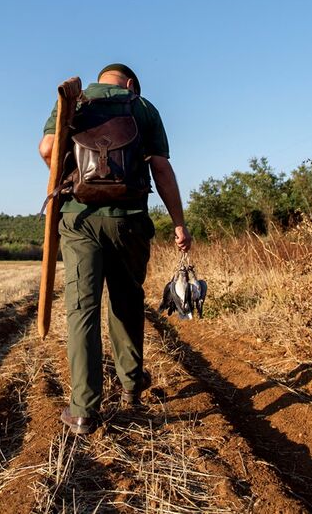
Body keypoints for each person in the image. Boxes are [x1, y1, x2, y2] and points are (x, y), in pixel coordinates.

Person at [39, 63, 192, 435]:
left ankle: (83, 410)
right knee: (126, 300)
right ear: (129, 83)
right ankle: (130, 386)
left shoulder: (74, 101)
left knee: (81, 308)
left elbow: (47, 150)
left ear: (100, 80)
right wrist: (178, 223)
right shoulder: (142, 107)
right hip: (129, 220)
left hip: (79, 220)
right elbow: (161, 168)